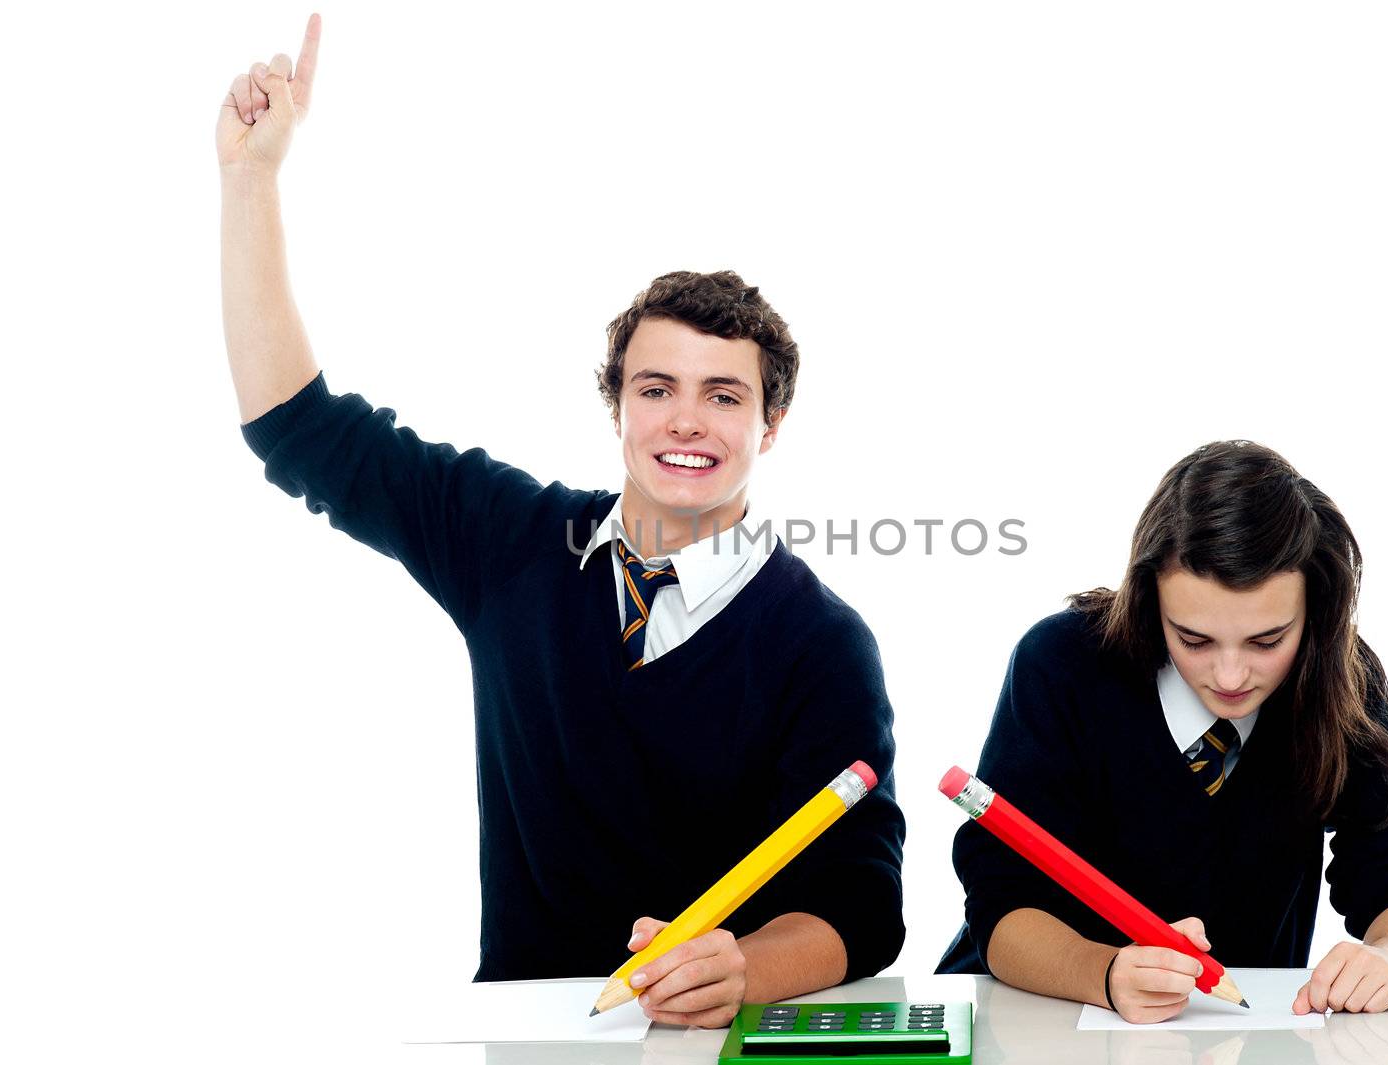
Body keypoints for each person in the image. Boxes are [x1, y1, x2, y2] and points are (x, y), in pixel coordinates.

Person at [216, 14, 904, 1029]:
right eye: (655, 387)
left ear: (773, 424)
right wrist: (249, 183)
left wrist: (745, 968)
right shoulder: (508, 543)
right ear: (616, 406)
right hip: (528, 1031)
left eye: (723, 396)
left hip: (715, 1042)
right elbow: (297, 430)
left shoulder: (821, 642)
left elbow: (861, 904)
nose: (684, 420)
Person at [937, 440, 1388, 1024]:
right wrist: (1104, 973)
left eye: (1266, 641)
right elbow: (1000, 902)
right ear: (1149, 598)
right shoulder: (1061, 664)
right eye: (1193, 640)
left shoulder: (1342, 677)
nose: (1230, 677)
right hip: (1027, 1022)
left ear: (1316, 613)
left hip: (1228, 1036)